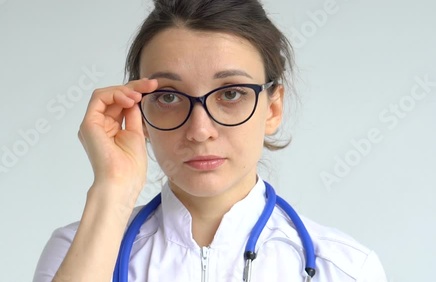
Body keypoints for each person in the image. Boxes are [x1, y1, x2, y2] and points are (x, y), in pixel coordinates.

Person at [33, 0, 388, 281]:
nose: (200, 130)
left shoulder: (346, 269)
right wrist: (113, 191)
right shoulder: (78, 253)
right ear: (138, 110)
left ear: (272, 108)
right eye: (169, 97)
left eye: (230, 93)